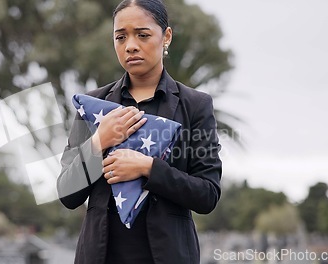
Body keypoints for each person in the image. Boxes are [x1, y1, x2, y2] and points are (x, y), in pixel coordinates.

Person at [57, 0, 222, 263]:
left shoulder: (195, 105)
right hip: (101, 255)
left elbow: (208, 195)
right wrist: (100, 141)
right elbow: (67, 193)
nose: (130, 45)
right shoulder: (91, 105)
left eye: (142, 35)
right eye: (121, 37)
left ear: (166, 36)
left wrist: (148, 168)